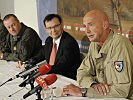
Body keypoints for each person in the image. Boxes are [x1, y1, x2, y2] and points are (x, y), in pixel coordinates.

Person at [63, 9, 133, 99]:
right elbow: (81, 73)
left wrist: (83, 91)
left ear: (105, 25)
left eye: (91, 25)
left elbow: (122, 91)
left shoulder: (119, 43)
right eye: (85, 26)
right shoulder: (94, 44)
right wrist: (93, 84)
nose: (87, 31)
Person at [18, 14, 81, 80]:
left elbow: (62, 67)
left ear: (62, 25)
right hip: (51, 76)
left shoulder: (69, 43)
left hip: (65, 79)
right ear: (46, 29)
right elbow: (40, 55)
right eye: (49, 28)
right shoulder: (49, 40)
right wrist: (27, 63)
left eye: (56, 26)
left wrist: (39, 70)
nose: (53, 30)